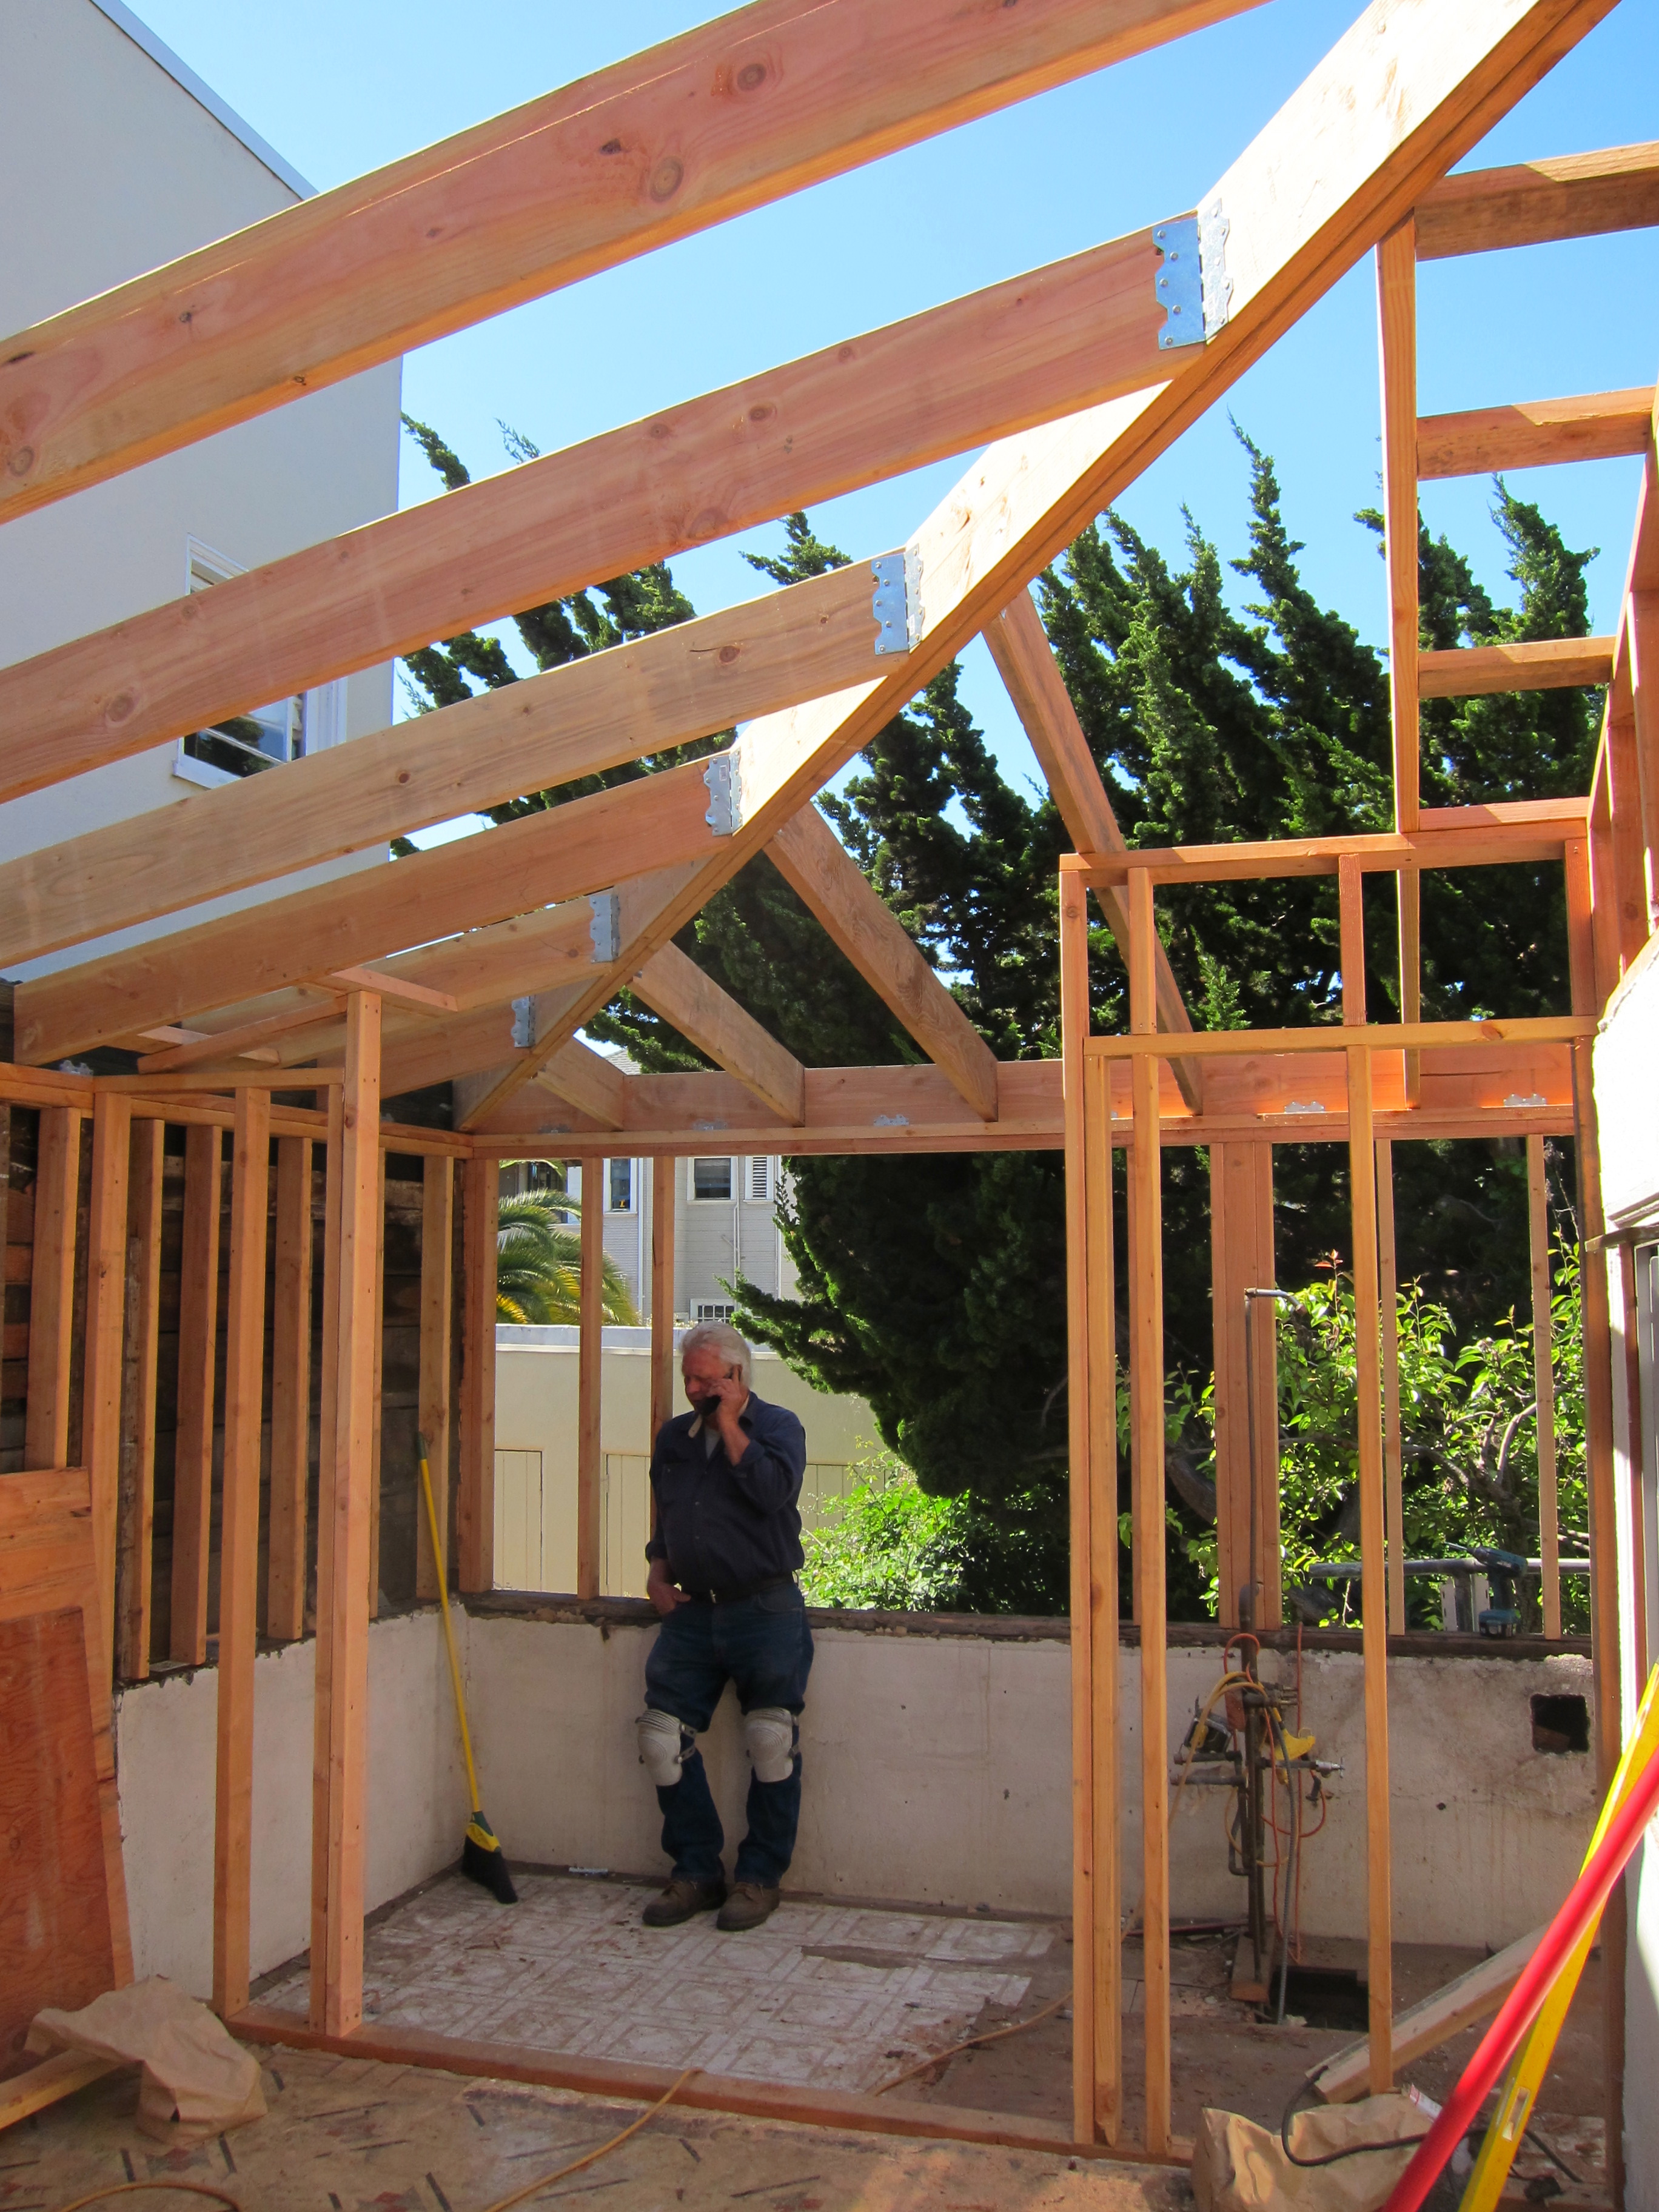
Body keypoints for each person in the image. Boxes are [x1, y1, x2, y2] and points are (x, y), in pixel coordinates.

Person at [635, 1320, 811, 1932]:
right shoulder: (674, 1439)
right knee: (661, 1739)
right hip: (691, 1614)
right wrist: (658, 1575)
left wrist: (731, 1425)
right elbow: (667, 1511)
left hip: (765, 1608)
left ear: (736, 1377)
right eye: (689, 1378)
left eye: (708, 1379)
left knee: (770, 1741)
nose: (695, 1389)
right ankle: (696, 1872)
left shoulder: (779, 1427)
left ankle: (759, 1878)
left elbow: (773, 1494)